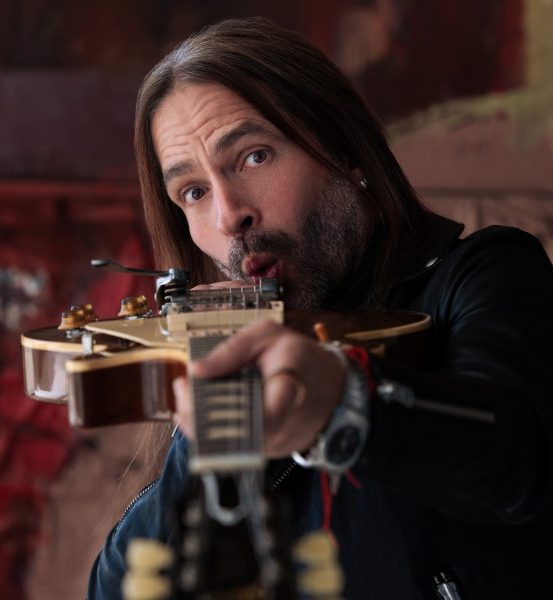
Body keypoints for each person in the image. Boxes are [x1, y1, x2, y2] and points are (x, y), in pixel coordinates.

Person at [87, 17, 553, 599]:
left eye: (254, 157)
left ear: (344, 149)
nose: (229, 216)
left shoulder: (486, 272)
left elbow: (519, 455)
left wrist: (342, 402)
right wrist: (210, 419)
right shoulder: (235, 350)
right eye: (194, 192)